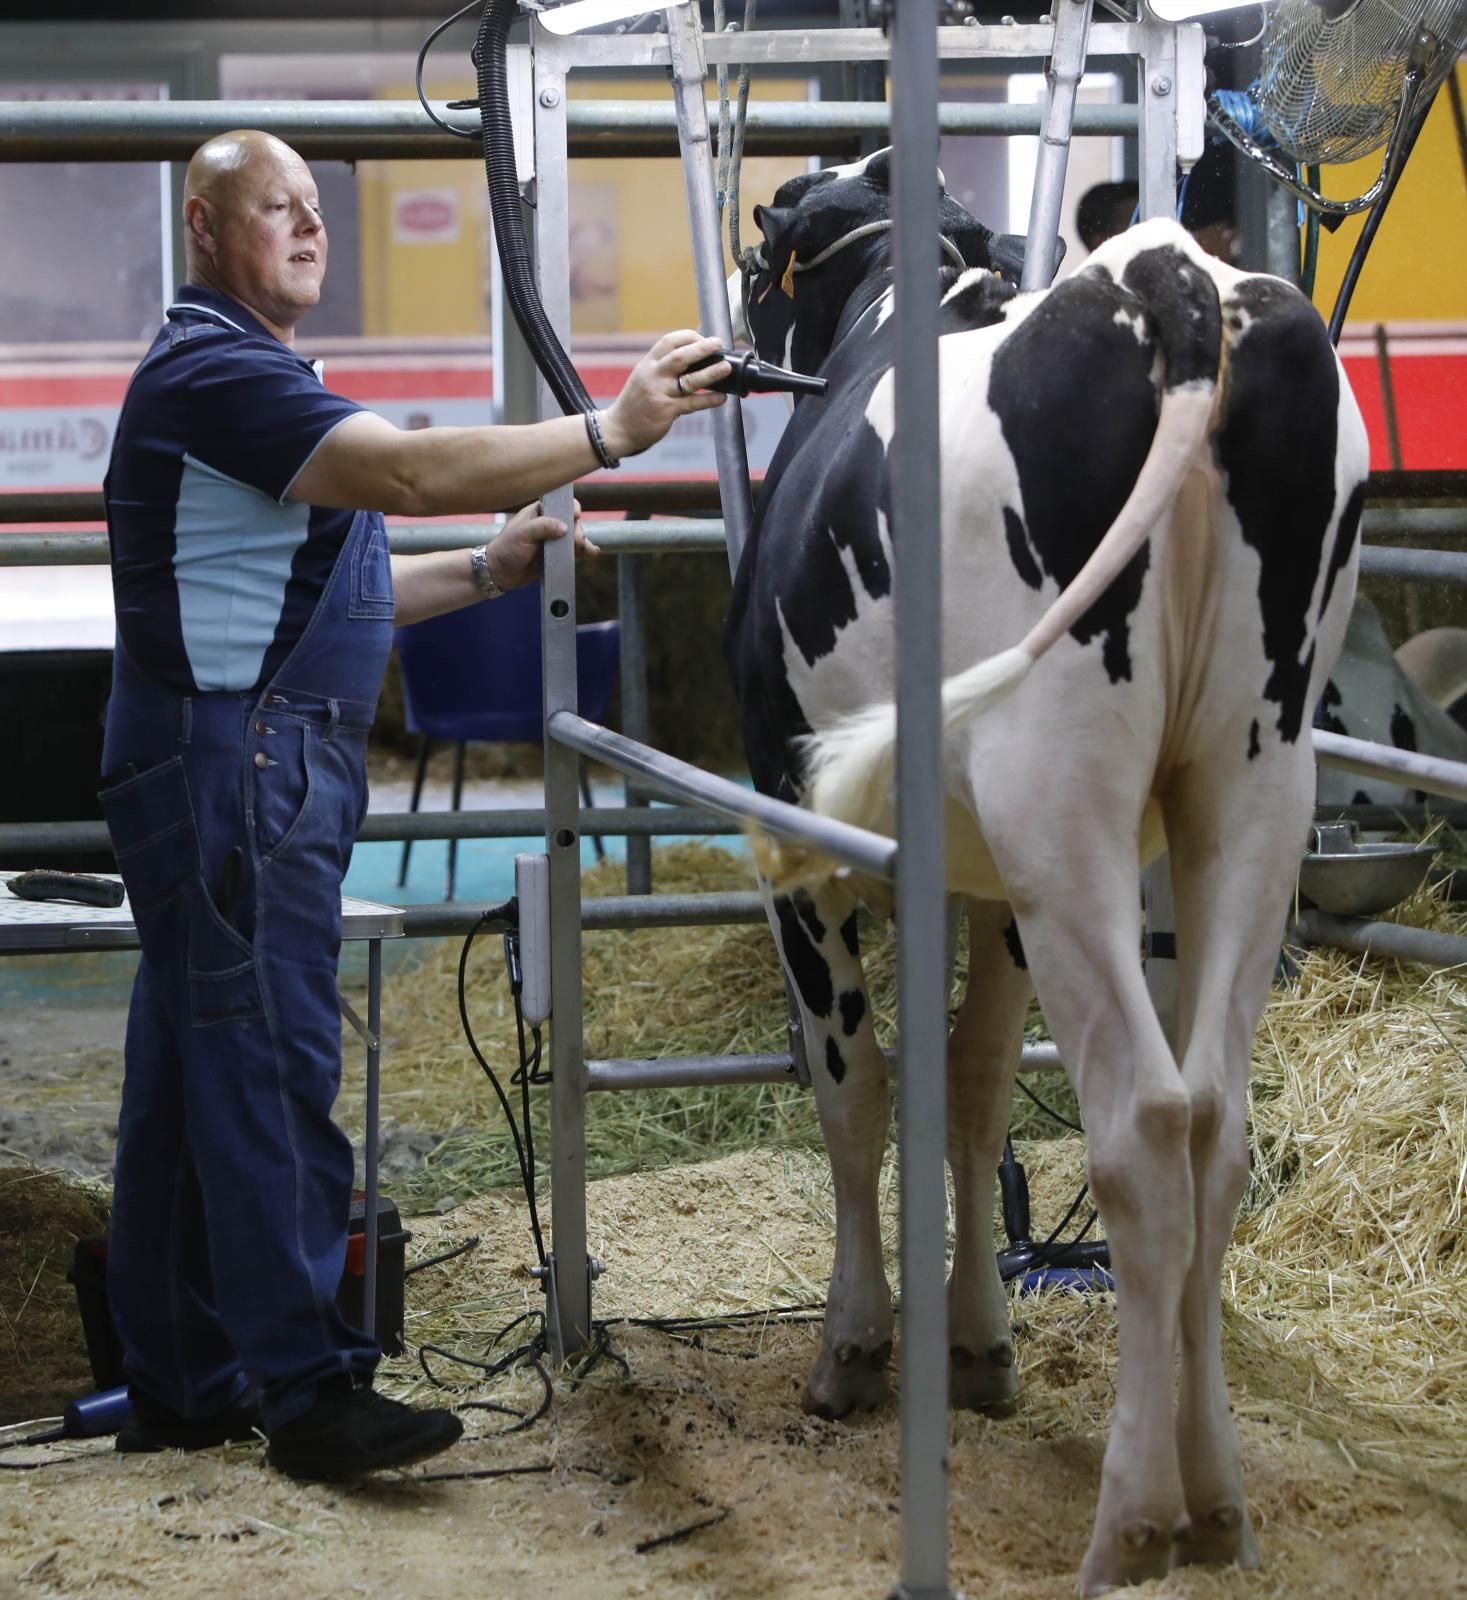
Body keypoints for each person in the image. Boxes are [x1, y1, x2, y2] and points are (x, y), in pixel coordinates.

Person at [98, 129, 730, 1482]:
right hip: (239, 763)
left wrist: (492, 570)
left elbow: (353, 589)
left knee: (190, 1070)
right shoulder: (219, 369)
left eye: (317, 208)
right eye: (276, 208)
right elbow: (407, 472)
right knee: (269, 1059)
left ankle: (184, 1378)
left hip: (234, 753)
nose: (308, 229)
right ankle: (308, 1388)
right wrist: (608, 430)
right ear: (205, 232)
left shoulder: (244, 381)